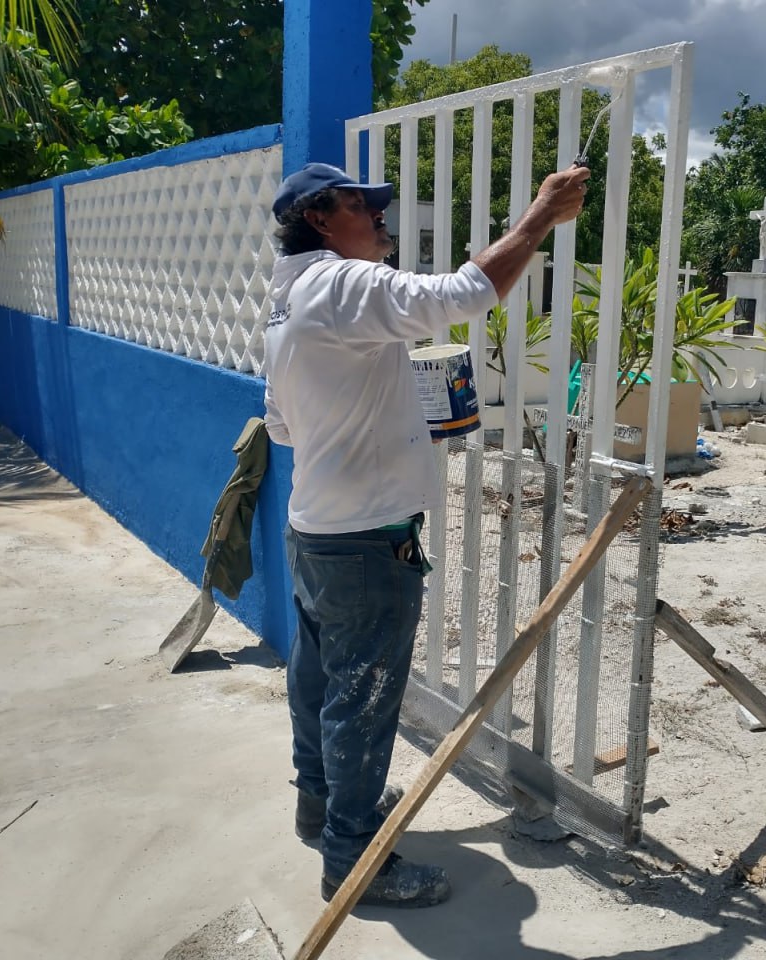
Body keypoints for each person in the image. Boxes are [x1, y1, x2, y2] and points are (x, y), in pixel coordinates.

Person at [263, 161, 590, 910]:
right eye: (363, 206)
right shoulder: (344, 283)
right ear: (320, 217)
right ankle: (354, 862)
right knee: (364, 702)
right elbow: (464, 295)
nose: (382, 219)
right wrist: (538, 217)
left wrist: (387, 418)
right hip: (367, 541)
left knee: (318, 686)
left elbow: (283, 426)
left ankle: (321, 810)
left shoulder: (285, 305)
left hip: (314, 530)